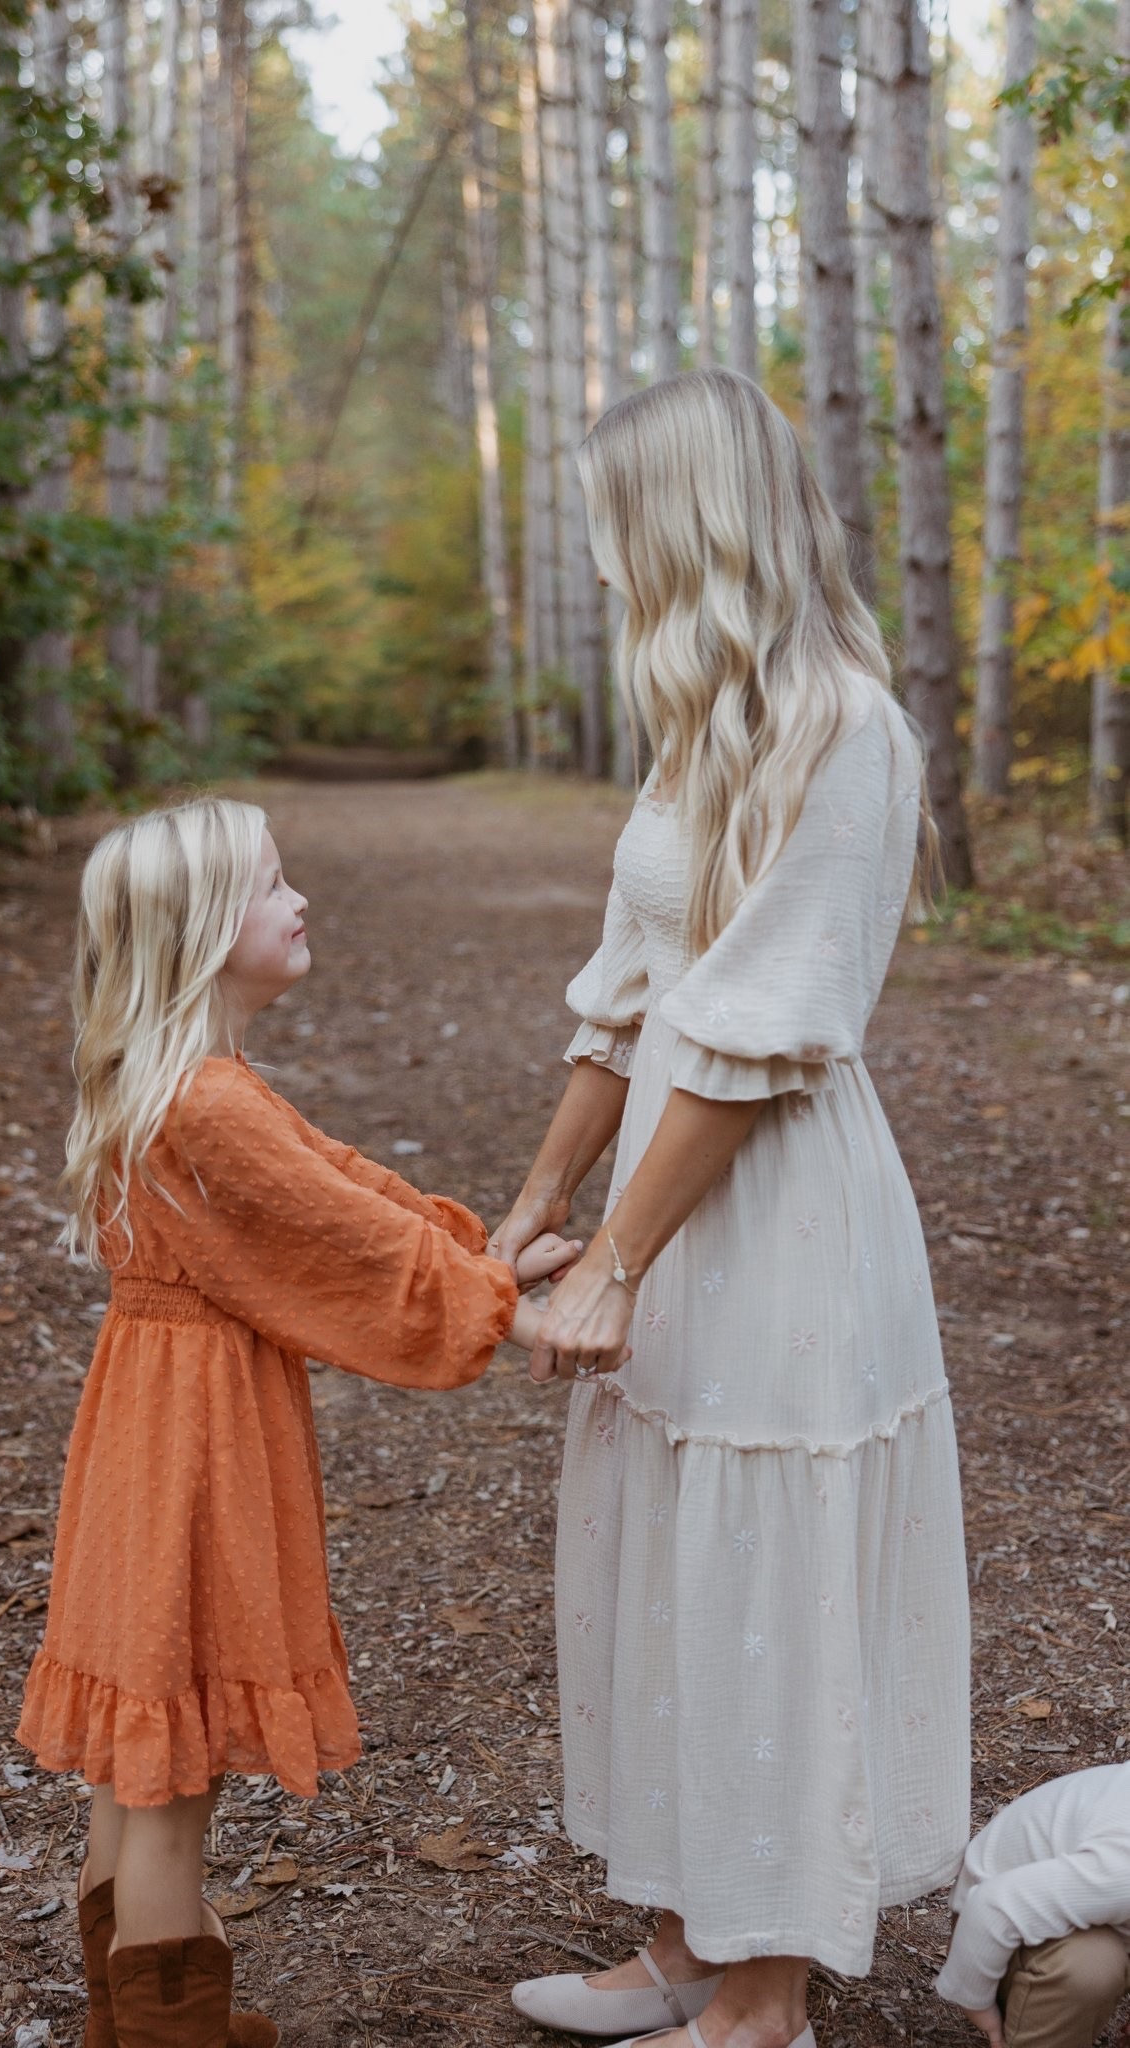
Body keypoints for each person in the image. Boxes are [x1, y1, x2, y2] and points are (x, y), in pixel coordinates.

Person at [494, 369, 971, 2048]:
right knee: (670, 1565)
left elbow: (767, 1031)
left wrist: (620, 1258)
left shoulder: (850, 725)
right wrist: (539, 1211)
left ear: (689, 519)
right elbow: (632, 998)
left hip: (781, 1222)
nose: (604, 554)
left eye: (618, 516)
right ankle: (683, 1937)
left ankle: (762, 1994)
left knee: (765, 1566)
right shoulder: (697, 727)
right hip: (665, 1208)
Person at [15, 796, 581, 2048]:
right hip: (193, 1453)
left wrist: (481, 1254)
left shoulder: (186, 1081)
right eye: (275, 884)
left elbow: (344, 1193)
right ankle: (171, 2033)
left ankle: (127, 2018)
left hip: (147, 1433)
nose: (300, 899)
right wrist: (508, 1315)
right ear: (209, 929)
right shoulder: (206, 1105)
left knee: (136, 1753)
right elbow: (348, 1241)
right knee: (174, 1779)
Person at [935, 1762, 1130, 2048]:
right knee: (1090, 1966)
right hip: (994, 1936)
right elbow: (991, 1910)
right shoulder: (1121, 1871)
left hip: (1078, 1907)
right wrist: (978, 2007)